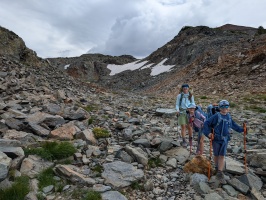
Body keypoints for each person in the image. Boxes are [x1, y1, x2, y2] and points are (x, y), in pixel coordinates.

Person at [203, 100, 244, 184]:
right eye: (222, 107)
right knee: (216, 154)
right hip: (216, 139)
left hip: (225, 139)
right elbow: (206, 123)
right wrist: (208, 133)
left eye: (226, 106)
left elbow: (234, 125)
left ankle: (219, 171)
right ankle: (217, 166)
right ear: (219, 108)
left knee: (222, 155)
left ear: (228, 108)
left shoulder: (229, 116)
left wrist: (242, 130)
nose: (224, 108)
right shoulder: (216, 116)